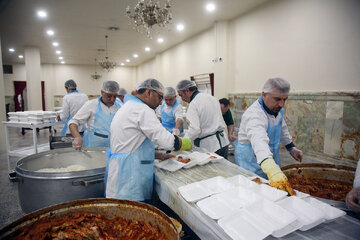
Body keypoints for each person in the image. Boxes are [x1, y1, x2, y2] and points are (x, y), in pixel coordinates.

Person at [106, 78, 192, 202]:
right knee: (131, 215)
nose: (161, 102)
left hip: (123, 170)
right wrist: (186, 142)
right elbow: (167, 141)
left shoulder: (129, 106)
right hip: (130, 175)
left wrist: (159, 155)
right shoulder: (142, 110)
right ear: (148, 93)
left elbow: (132, 145)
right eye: (160, 97)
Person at [235, 77, 302, 195]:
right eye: (277, 99)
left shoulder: (277, 109)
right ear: (264, 95)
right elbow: (259, 141)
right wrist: (272, 169)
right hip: (252, 161)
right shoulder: (254, 115)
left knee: (274, 193)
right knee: (254, 192)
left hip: (270, 158)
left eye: (284, 100)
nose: (281, 104)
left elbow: (282, 127)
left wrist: (291, 148)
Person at [176, 80, 229, 158]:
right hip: (223, 143)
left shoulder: (193, 104)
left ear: (187, 91)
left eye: (181, 95)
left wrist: (181, 142)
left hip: (210, 147)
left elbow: (195, 130)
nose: (182, 99)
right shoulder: (212, 98)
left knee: (212, 170)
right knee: (223, 169)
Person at [69, 81, 121, 150]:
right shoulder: (91, 105)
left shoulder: (119, 107)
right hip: (94, 148)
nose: (112, 99)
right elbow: (73, 122)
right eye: (109, 96)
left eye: (115, 96)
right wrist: (77, 137)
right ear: (102, 92)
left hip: (114, 148)